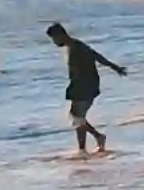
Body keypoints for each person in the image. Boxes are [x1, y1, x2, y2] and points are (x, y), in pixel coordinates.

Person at [47, 22, 126, 153]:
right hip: (86, 84)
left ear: (60, 35)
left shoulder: (76, 48)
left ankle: (86, 147)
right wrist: (115, 67)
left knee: (77, 117)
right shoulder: (76, 45)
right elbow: (96, 56)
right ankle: (94, 140)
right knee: (77, 117)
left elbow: (94, 58)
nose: (54, 42)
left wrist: (115, 67)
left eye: (54, 39)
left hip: (85, 85)